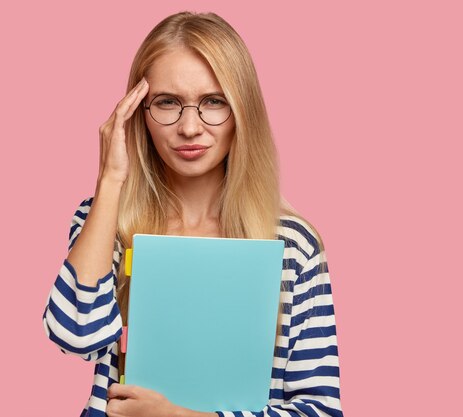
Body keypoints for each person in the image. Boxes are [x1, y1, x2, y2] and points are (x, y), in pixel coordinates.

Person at [43, 11, 343, 417]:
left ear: (242, 111)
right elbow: (74, 334)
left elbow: (321, 410)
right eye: (167, 102)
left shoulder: (293, 246)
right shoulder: (107, 219)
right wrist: (111, 179)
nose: (189, 127)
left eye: (213, 102)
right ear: (138, 112)